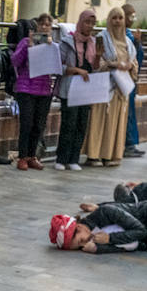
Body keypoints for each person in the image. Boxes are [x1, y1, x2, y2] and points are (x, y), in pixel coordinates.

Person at [83, 7, 137, 167]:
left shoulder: (128, 42)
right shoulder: (101, 37)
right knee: (99, 120)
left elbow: (134, 63)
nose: (117, 21)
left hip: (120, 89)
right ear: (109, 20)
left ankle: (110, 155)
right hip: (104, 86)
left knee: (116, 122)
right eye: (114, 18)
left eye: (120, 18)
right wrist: (113, 65)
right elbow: (96, 61)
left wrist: (128, 66)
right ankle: (94, 155)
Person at [10, 14, 59, 170]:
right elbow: (15, 61)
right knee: (27, 124)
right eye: (42, 24)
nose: (44, 27)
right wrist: (29, 45)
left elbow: (57, 66)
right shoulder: (25, 42)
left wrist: (52, 49)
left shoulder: (52, 46)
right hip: (26, 88)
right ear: (36, 26)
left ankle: (32, 156)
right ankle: (22, 156)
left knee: (39, 125)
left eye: (48, 25)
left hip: (44, 90)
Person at [55, 9, 98, 171]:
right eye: (87, 22)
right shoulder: (68, 41)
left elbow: (95, 67)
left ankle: (74, 158)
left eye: (92, 23)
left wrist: (99, 56)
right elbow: (58, 66)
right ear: (80, 22)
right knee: (69, 123)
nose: (90, 26)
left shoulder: (93, 43)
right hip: (70, 87)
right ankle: (62, 158)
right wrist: (76, 70)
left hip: (86, 88)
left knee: (81, 124)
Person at [121, 2, 147, 158]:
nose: (133, 18)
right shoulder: (122, 36)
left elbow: (138, 57)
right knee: (125, 113)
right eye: (130, 15)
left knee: (130, 112)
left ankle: (130, 143)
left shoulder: (130, 34)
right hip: (121, 79)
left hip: (131, 79)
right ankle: (126, 144)